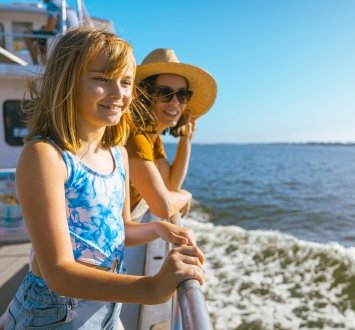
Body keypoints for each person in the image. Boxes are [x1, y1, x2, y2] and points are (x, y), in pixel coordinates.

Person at [4, 27, 204, 329]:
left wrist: (158, 228)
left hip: (108, 305)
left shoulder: (118, 155)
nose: (118, 94)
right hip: (53, 313)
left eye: (125, 82)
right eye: (101, 79)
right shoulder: (45, 156)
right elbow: (58, 272)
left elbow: (121, 228)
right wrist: (151, 287)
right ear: (66, 82)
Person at [126, 48, 217, 223]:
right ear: (145, 95)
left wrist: (186, 140)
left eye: (182, 94)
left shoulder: (152, 138)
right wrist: (187, 196)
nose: (175, 102)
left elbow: (170, 185)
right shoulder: (135, 138)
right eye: (164, 93)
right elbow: (164, 206)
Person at [25, 0, 79, 64]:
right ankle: (43, 61)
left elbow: (50, 27)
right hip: (73, 34)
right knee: (42, 34)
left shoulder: (52, 4)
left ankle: (36, 62)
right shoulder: (64, 4)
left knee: (27, 34)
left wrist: (43, 28)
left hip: (63, 34)